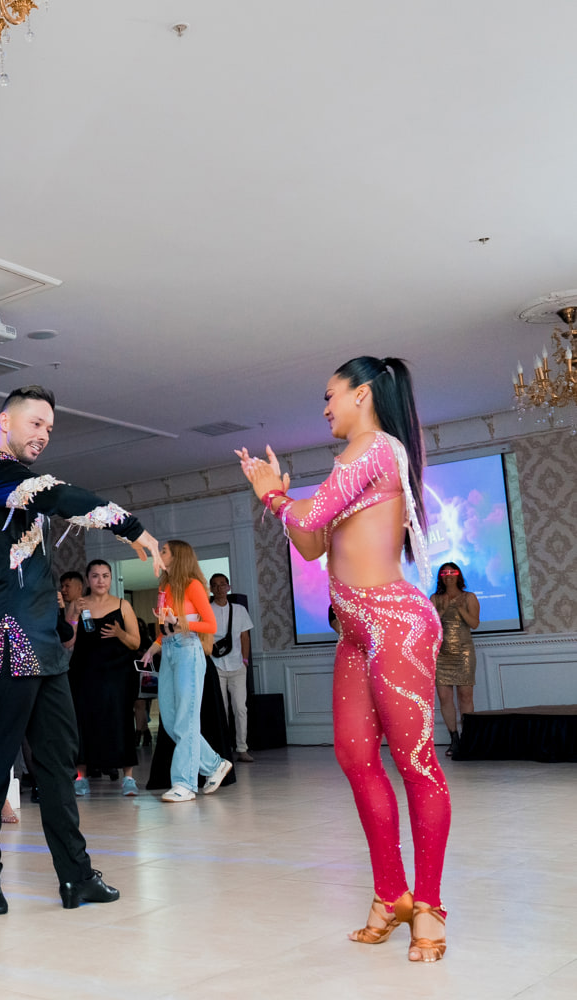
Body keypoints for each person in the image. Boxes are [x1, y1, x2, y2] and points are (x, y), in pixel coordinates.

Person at [239, 355, 449, 963]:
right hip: (355, 632)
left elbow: (305, 515)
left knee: (416, 764)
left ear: (362, 395)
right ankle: (390, 896)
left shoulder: (376, 449)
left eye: (330, 396)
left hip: (395, 625)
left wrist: (276, 496)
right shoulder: (353, 461)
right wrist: (273, 496)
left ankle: (429, 907)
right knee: (356, 759)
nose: (326, 407)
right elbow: (311, 544)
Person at [0, 385, 161, 916]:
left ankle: (75, 876)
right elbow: (59, 496)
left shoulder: (20, 481)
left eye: (49, 428)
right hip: (7, 638)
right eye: (35, 423)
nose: (44, 434)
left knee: (58, 763)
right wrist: (131, 527)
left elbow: (60, 503)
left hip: (43, 641)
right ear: (5, 422)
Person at [139, 540, 229, 802]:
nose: (160, 553)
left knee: (185, 719)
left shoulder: (193, 585)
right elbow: (164, 627)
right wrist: (153, 647)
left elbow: (210, 625)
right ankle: (214, 764)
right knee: (170, 720)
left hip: (188, 650)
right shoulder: (165, 586)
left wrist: (181, 623)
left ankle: (184, 784)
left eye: (164, 551)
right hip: (168, 650)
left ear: (177, 556)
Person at [70, 560, 143, 796]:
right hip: (85, 673)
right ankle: (81, 777)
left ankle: (128, 778)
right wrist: (74, 614)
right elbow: (67, 642)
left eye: (105, 576)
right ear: (88, 579)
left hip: (118, 674)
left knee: (121, 720)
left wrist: (120, 633)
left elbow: (136, 643)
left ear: (111, 579)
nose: (100, 580)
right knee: (84, 721)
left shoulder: (123, 605)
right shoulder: (79, 604)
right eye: (95, 576)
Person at [431, 562, 479, 759]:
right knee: (445, 697)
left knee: (465, 696)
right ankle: (454, 738)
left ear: (458, 575)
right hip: (441, 654)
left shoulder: (469, 597)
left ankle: (468, 737)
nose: (448, 575)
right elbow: (430, 626)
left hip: (463, 651)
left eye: (452, 572)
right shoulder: (435, 598)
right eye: (444, 573)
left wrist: (460, 609)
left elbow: (474, 623)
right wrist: (442, 612)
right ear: (440, 577)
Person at [207, 574, 255, 762]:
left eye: (222, 585)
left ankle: (242, 747)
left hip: (237, 664)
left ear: (228, 587)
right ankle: (224, 748)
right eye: (215, 585)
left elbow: (245, 636)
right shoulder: (206, 610)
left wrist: (245, 660)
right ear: (211, 589)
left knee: (240, 708)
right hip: (216, 665)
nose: (219, 588)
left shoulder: (239, 610)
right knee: (222, 709)